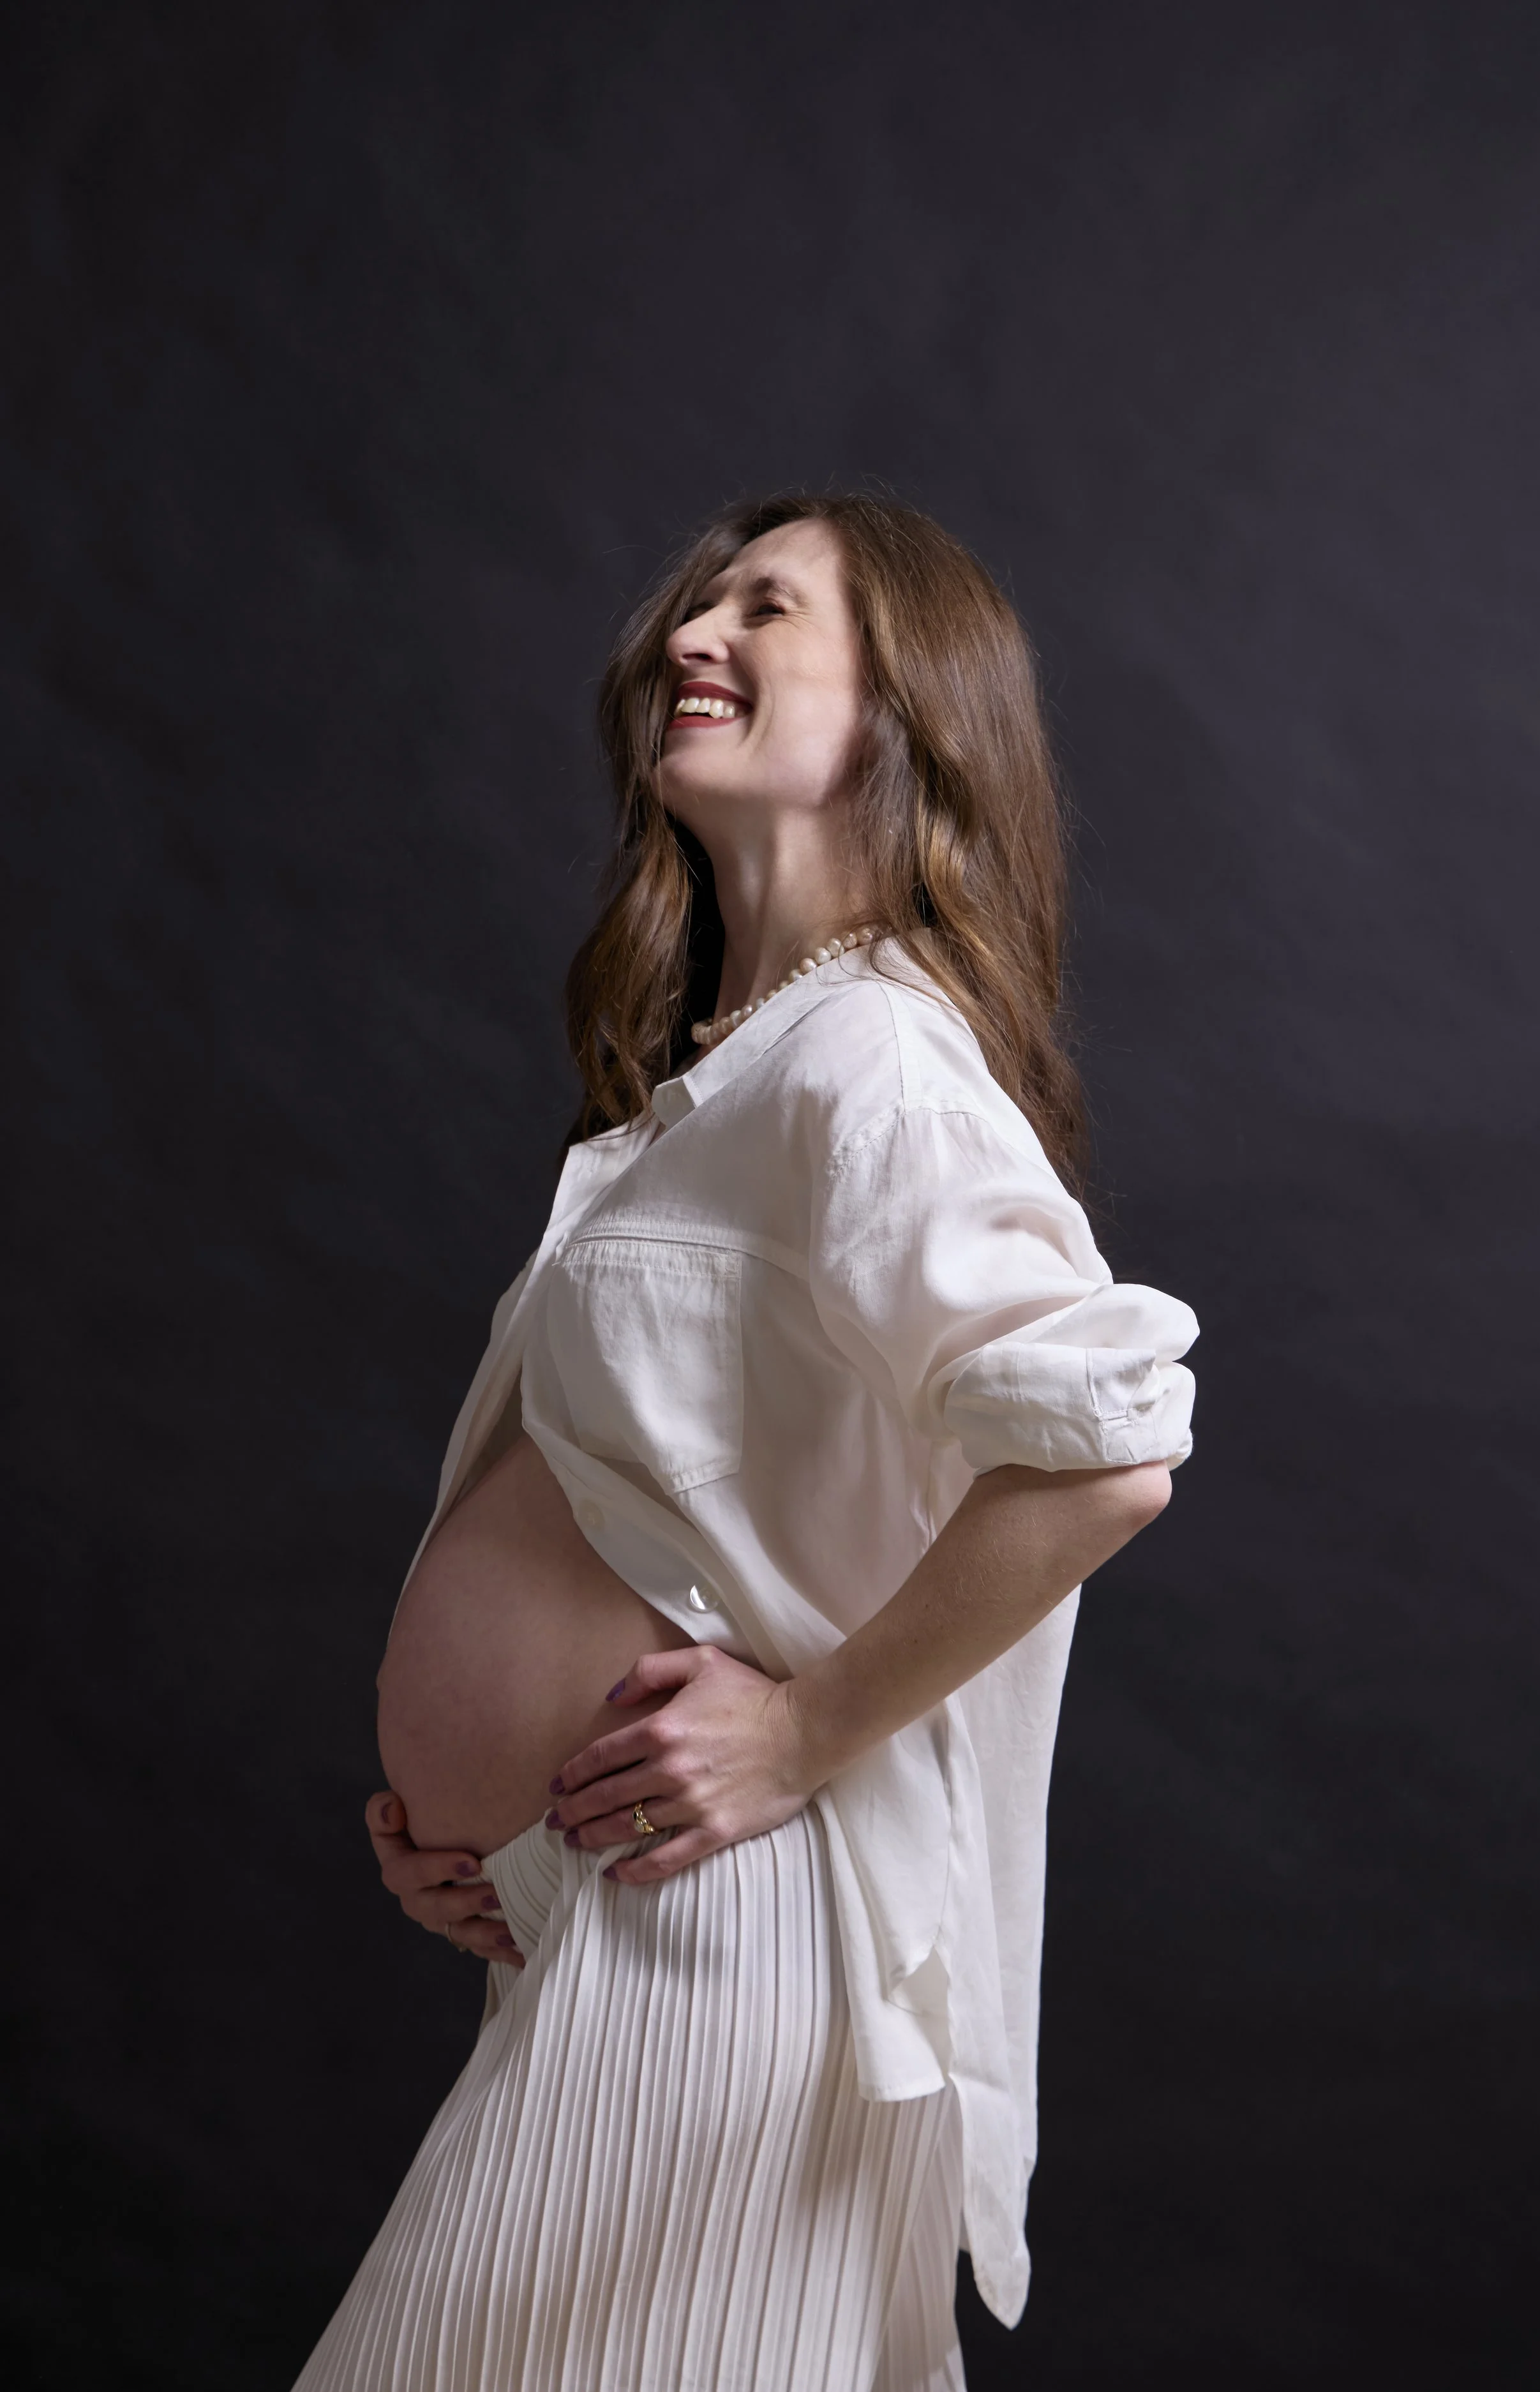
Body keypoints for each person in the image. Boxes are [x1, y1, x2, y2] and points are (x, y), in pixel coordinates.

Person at [294, 491, 1197, 2392]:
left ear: (904, 709)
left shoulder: (868, 1053)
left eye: (767, 611)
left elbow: (1108, 1440)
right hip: (610, 1921)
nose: (694, 633)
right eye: (696, 605)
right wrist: (472, 1823)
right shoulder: (720, 1084)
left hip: (729, 1935)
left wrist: (801, 1722)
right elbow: (642, 1510)